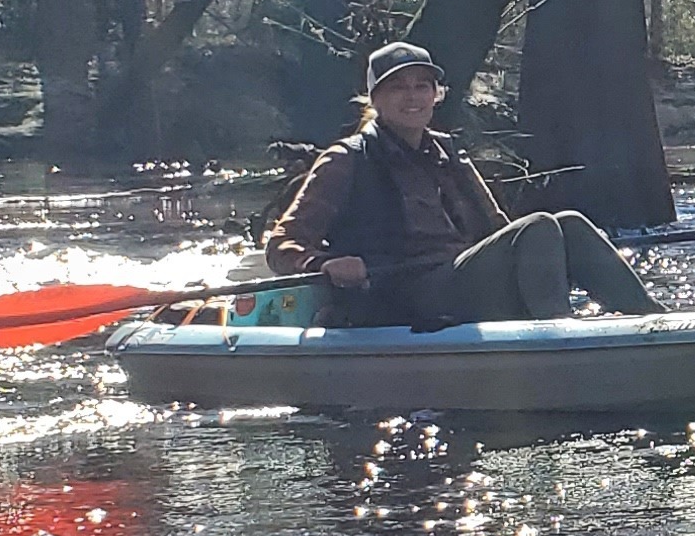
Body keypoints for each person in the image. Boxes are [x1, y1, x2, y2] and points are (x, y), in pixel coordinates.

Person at [265, 42, 667, 327]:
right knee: (540, 225)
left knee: (569, 224)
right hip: (402, 295)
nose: (412, 96)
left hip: (461, 282)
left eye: (421, 85)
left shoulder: (449, 155)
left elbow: (498, 231)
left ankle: (655, 323)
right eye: (398, 87)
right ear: (375, 98)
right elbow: (281, 245)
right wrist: (324, 264)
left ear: (436, 95)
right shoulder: (346, 159)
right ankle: (557, 337)